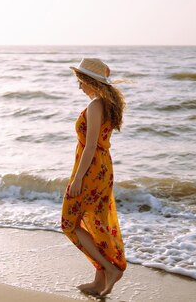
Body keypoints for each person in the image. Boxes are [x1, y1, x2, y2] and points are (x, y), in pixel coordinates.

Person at [61, 58, 127, 296]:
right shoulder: (106, 104)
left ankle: (109, 269)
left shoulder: (95, 105)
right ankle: (100, 280)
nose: (79, 87)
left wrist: (78, 178)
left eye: (81, 81)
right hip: (102, 169)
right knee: (94, 222)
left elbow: (90, 147)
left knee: (69, 223)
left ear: (91, 81)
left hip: (90, 169)